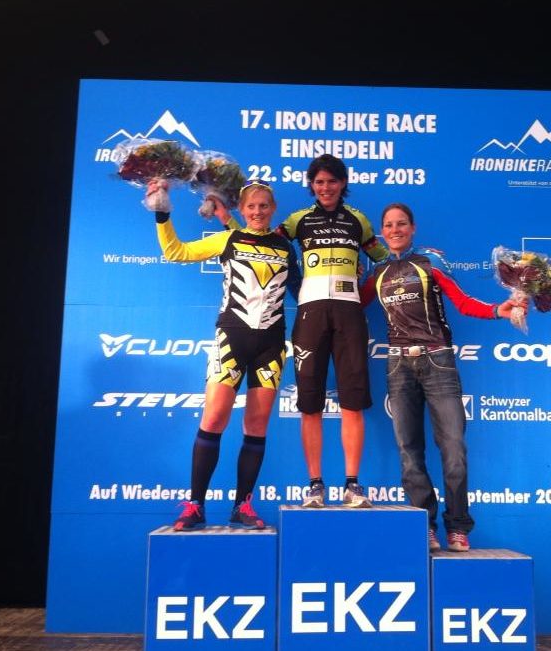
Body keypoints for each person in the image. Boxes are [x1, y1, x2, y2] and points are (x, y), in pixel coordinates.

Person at [215, 154, 388, 508]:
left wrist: (396, 267)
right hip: (310, 313)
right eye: (319, 182)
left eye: (332, 181)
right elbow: (259, 240)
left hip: (349, 313)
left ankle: (352, 485)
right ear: (311, 185)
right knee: (310, 402)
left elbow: (384, 259)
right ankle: (315, 485)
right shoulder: (298, 220)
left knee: (352, 401)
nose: (326, 188)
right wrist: (228, 221)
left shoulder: (358, 220)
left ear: (343, 183)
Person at [360, 203, 526, 551]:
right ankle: (425, 526)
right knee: (409, 451)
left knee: (453, 448)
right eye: (388, 225)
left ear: (413, 228)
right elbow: (352, 303)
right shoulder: (378, 270)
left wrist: (499, 310)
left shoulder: (431, 261)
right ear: (382, 232)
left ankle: (458, 527)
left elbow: (462, 303)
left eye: (401, 224)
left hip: (438, 361)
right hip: (398, 365)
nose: (394, 230)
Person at [152, 178, 301, 530]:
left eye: (264, 205)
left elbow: (301, 290)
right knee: (215, 418)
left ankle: (242, 506)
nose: (258, 211)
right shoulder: (229, 239)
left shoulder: (284, 246)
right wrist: (162, 213)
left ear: (273, 208)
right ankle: (195, 506)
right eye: (251, 206)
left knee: (256, 425)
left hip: (271, 344)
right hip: (231, 339)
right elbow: (176, 252)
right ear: (242, 209)